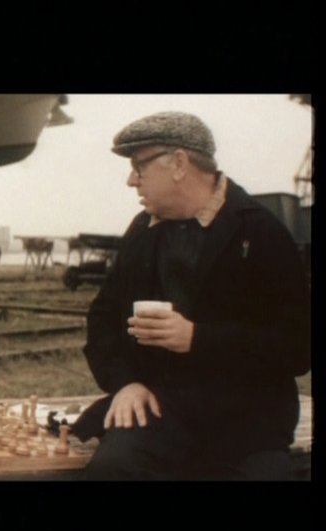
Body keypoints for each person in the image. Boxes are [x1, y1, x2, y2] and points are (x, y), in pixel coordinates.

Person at [75, 112, 310, 480]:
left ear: (180, 164)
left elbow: (297, 346)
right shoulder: (142, 230)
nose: (131, 180)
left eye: (139, 166)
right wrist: (125, 383)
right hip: (161, 414)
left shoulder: (260, 232)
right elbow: (102, 318)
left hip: (245, 427)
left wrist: (197, 338)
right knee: (111, 470)